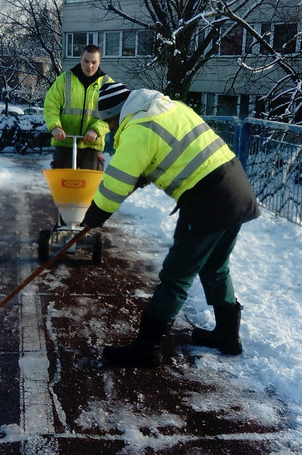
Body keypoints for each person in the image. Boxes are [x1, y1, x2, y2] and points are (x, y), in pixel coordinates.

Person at [81, 83, 260, 368]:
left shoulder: (137, 129)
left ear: (115, 114)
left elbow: (114, 186)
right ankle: (227, 335)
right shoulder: (169, 107)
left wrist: (91, 218)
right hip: (235, 186)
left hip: (207, 199)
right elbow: (177, 151)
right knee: (215, 266)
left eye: (108, 122)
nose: (111, 128)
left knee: (176, 276)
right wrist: (144, 175)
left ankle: (147, 348)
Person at [43, 45, 113, 171]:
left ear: (99, 62)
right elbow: (51, 105)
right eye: (86, 61)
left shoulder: (107, 84)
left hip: (92, 146)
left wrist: (96, 130)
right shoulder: (65, 80)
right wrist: (55, 127)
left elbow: (112, 114)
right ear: (80, 59)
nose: (89, 66)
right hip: (65, 143)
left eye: (93, 62)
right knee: (62, 184)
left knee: (89, 187)